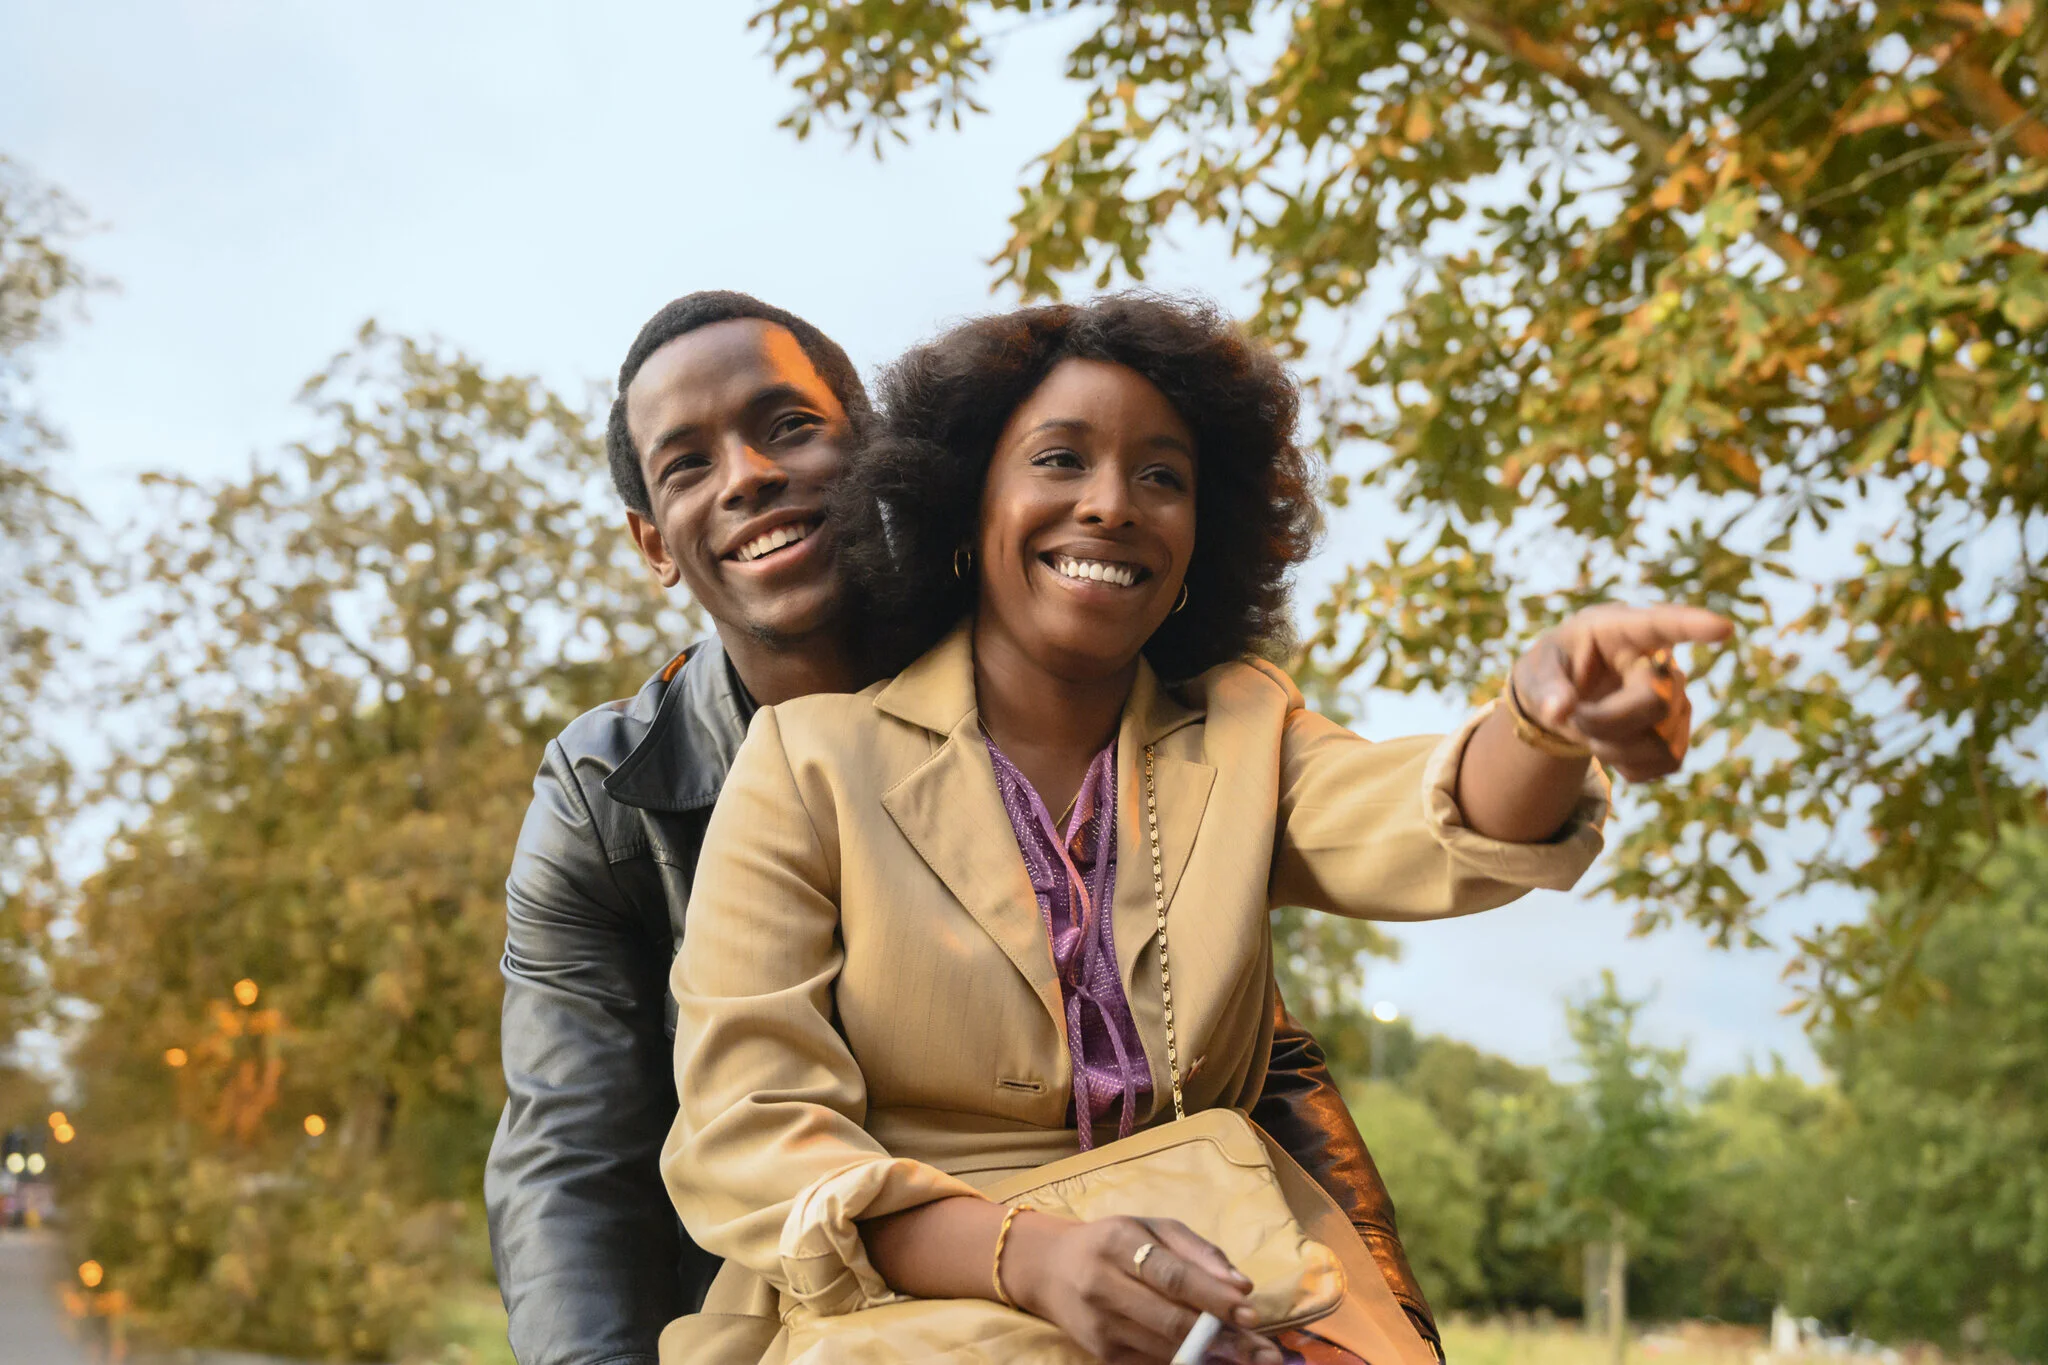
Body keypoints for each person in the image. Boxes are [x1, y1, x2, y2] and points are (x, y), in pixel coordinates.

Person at [659, 293, 1729, 1364]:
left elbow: (1417, 818)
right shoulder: (808, 761)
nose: (1111, 505)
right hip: (906, 1306)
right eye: (1060, 460)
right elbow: (750, 1129)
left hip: (1231, 1277)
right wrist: (1025, 1256)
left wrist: (1539, 720)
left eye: (1161, 477)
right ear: (965, 505)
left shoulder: (1244, 728)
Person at [484, 292, 1448, 1365]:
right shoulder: (601, 800)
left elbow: (1250, 1045)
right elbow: (573, 1152)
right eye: (686, 465)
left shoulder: (1061, 665)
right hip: (809, 1288)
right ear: (652, 543)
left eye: (789, 426)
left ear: (878, 455)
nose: (747, 475)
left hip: (1169, 1261)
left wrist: (1384, 1328)